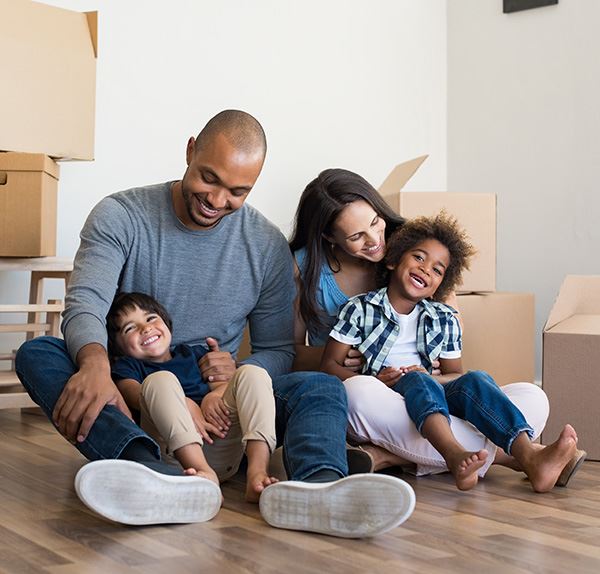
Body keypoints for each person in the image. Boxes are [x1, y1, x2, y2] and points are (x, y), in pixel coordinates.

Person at [16, 110, 415, 537]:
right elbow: (86, 303)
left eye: (238, 191)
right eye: (209, 178)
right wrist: (96, 365)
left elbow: (279, 349)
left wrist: (233, 378)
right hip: (134, 392)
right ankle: (144, 468)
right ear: (190, 151)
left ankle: (318, 487)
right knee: (39, 354)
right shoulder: (121, 215)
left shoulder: (264, 245)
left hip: (224, 409)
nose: (218, 200)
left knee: (320, 385)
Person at [289, 168, 585, 485]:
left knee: (532, 397)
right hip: (372, 396)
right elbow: (290, 353)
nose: (376, 240)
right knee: (359, 393)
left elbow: (453, 366)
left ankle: (388, 456)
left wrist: (436, 377)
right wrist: (358, 361)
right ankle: (516, 457)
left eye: (375, 222)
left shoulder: (418, 250)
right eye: (356, 236)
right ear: (329, 237)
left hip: (432, 393)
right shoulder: (320, 278)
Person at [105, 291, 278, 506]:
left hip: (221, 442)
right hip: (176, 455)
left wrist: (213, 396)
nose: (145, 328)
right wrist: (185, 404)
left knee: (253, 373)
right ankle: (203, 474)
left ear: (167, 324)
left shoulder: (193, 353)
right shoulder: (127, 367)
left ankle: (257, 473)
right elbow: (134, 395)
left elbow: (223, 385)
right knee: (160, 380)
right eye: (130, 328)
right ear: (117, 346)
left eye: (150, 318)